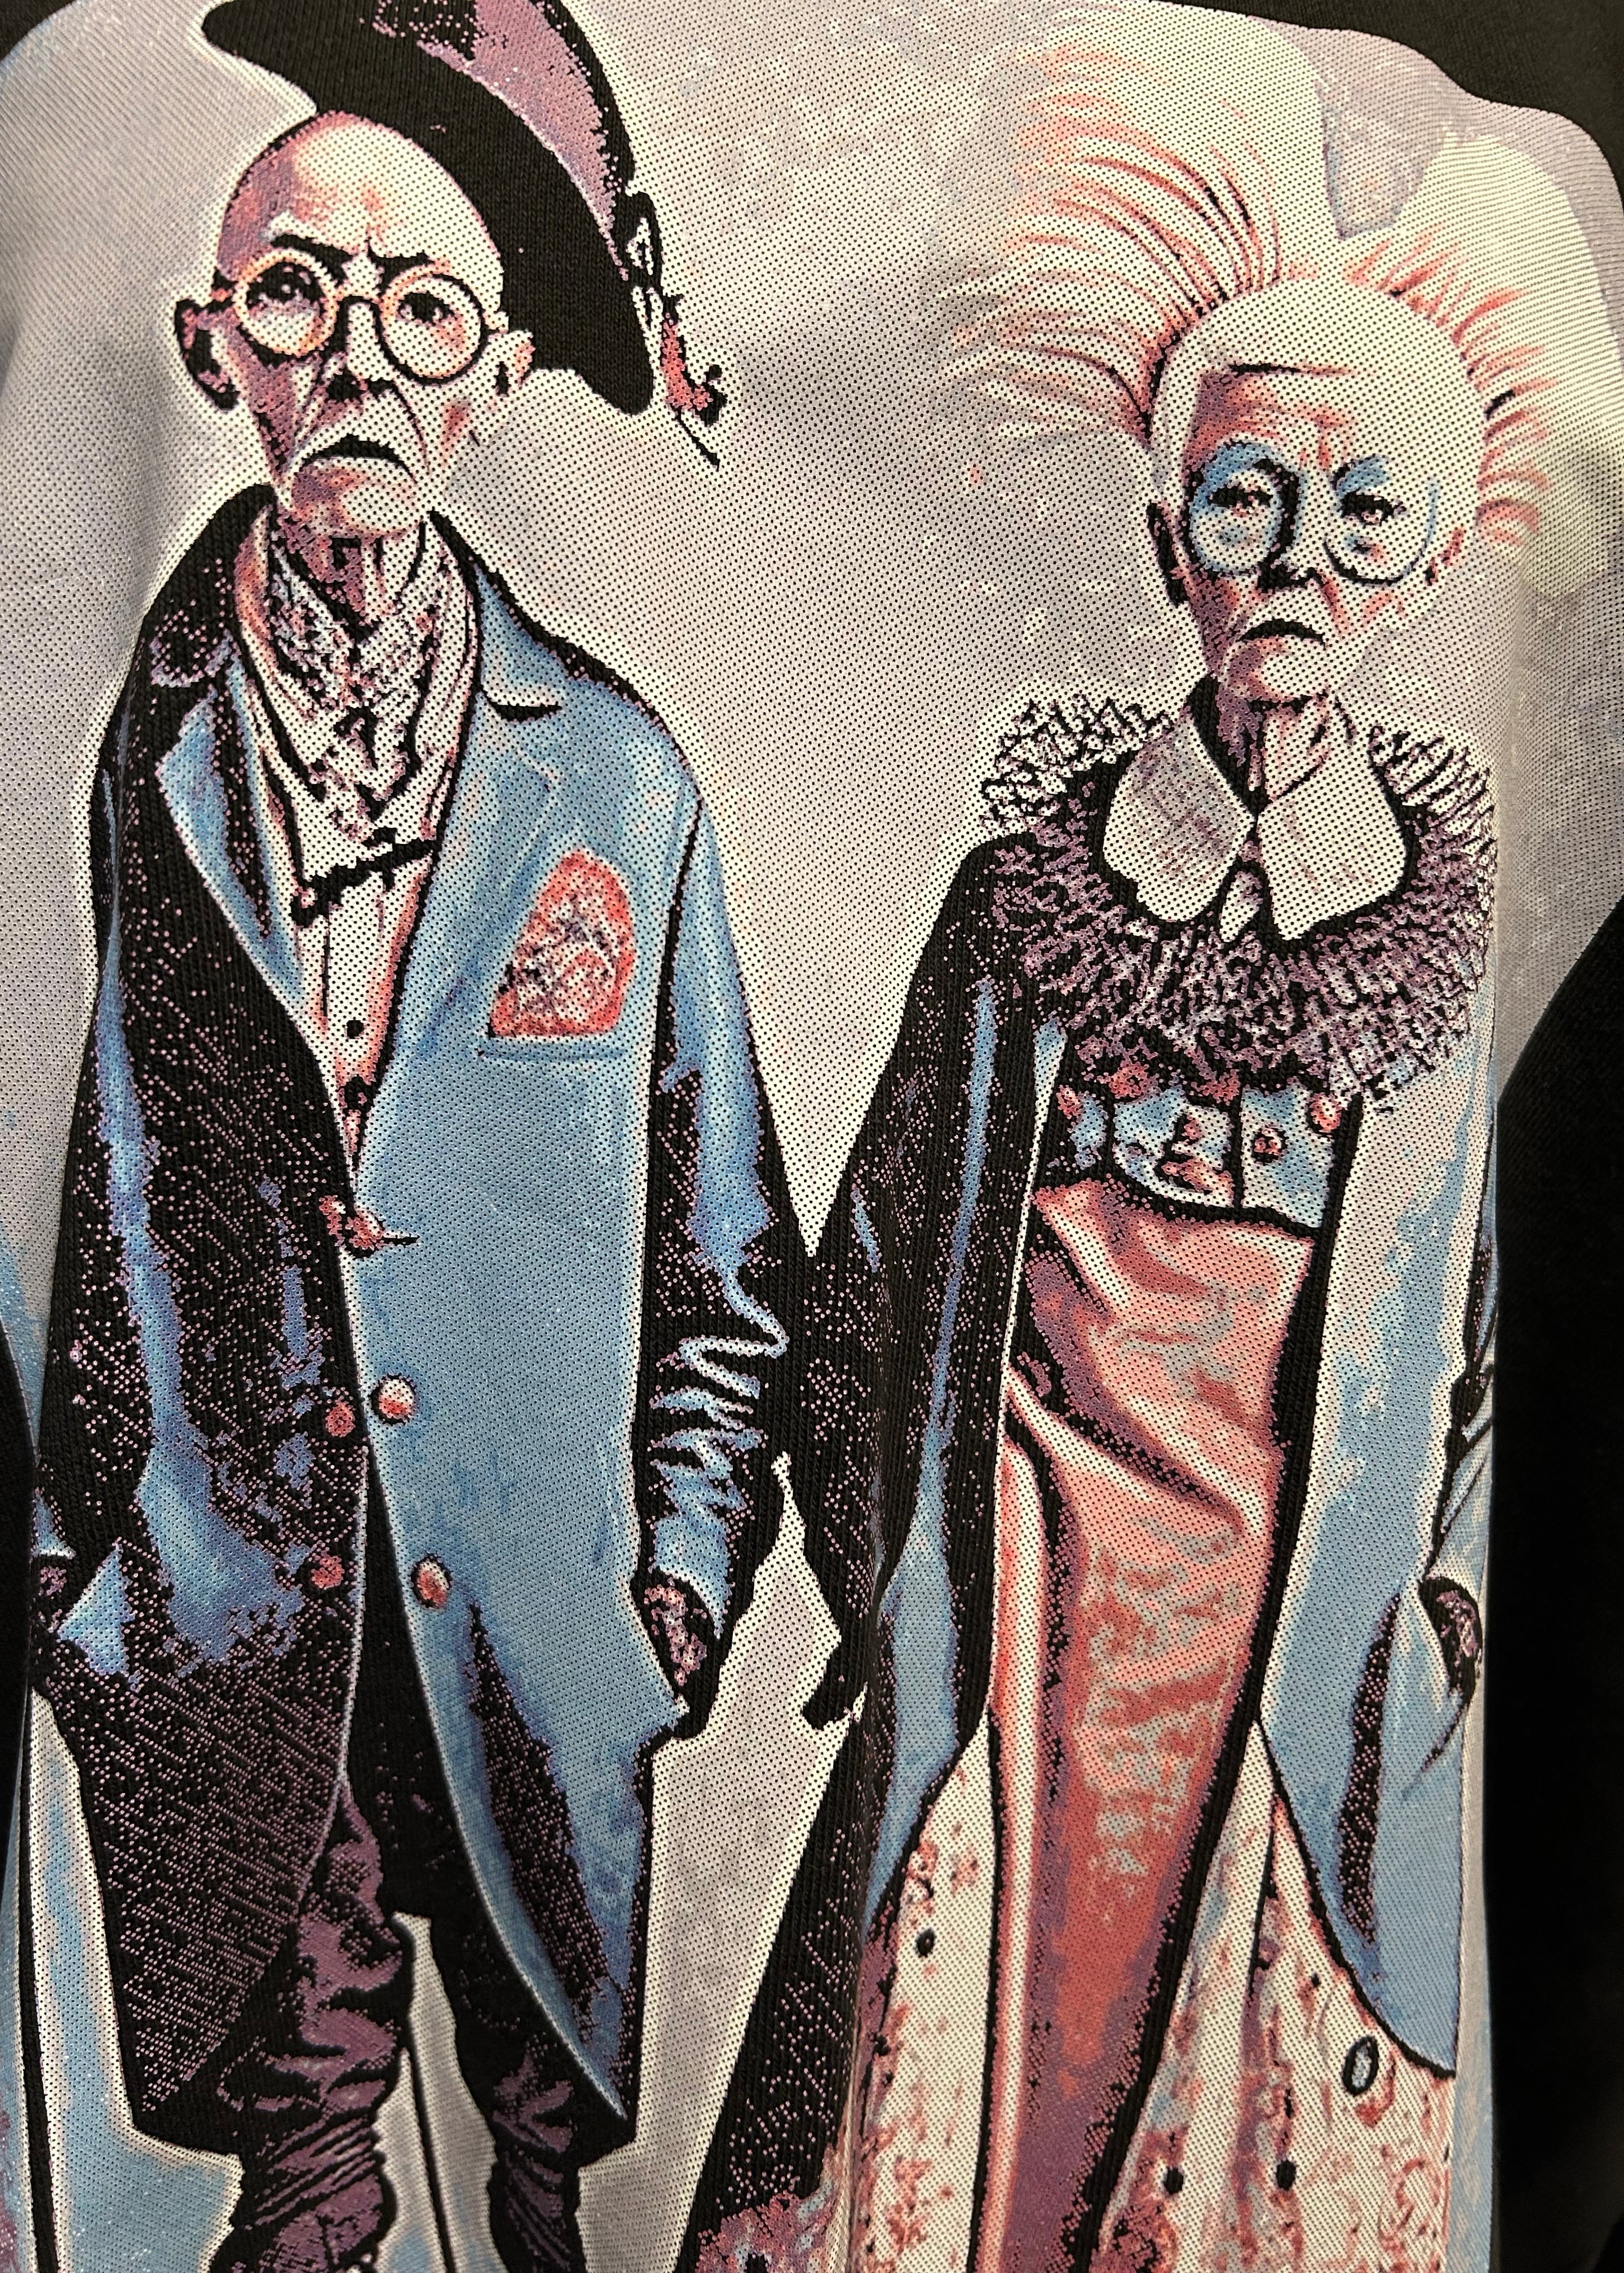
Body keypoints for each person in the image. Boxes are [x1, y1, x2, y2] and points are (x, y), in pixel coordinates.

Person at [678, 15, 1622, 2271]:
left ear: (1425, 568)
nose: (1296, 560)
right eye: (1244, 501)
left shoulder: (1442, 936)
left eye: (1361, 515)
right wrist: (899, 1576)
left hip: (1292, 1668)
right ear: (1164, 538)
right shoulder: (1025, 901)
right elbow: (870, 1272)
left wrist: (1441, 1612)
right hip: (1016, 1641)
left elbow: (1482, 1352)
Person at [26, 5, 798, 2269]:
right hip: (247, 1630)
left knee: (541, 2191)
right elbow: (100, 1186)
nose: (356, 358)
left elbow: (726, 1260)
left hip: (542, 1644)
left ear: (498, 377)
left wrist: (672, 1593)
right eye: (299, 293)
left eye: (423, 310)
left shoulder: (617, 781)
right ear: (214, 348)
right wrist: (88, 1579)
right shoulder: (145, 752)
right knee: (308, 2193)